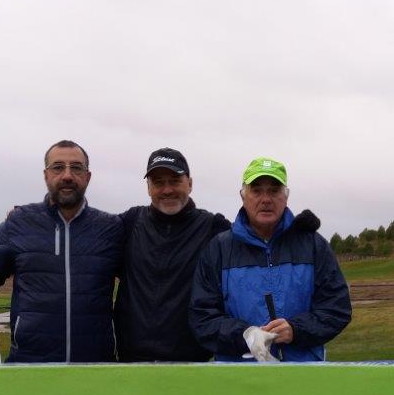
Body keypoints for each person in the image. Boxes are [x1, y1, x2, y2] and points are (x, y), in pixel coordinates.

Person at [0, 140, 123, 362]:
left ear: (87, 177)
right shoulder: (19, 223)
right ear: (46, 175)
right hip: (29, 365)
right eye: (58, 167)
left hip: (96, 366)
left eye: (76, 168)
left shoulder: (111, 227)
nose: (67, 175)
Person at [190, 156, 352, 362]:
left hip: (304, 374)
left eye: (274, 191)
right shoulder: (219, 249)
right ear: (243, 196)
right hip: (238, 377)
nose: (266, 199)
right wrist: (246, 335)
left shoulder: (313, 245)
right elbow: (202, 317)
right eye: (256, 190)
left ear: (286, 197)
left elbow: (336, 309)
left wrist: (296, 330)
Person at [114, 147, 230, 362]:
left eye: (175, 181)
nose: (167, 190)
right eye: (158, 182)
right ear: (148, 188)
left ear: (190, 183)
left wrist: (295, 232)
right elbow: (85, 235)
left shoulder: (213, 227)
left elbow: (257, 236)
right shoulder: (129, 223)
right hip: (131, 363)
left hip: (191, 365)